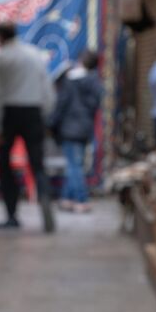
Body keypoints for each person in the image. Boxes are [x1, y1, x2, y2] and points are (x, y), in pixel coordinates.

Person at [0, 21, 56, 232]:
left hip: (10, 113)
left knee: (5, 166)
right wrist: (44, 114)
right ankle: (44, 199)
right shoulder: (34, 55)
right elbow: (47, 87)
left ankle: (12, 215)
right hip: (33, 112)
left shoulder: (0, 58)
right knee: (37, 163)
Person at [50, 49, 104, 212]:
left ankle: (81, 199)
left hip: (69, 128)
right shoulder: (94, 82)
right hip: (84, 127)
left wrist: (51, 122)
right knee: (75, 163)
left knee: (74, 166)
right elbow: (95, 104)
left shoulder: (70, 81)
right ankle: (67, 198)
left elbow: (61, 104)